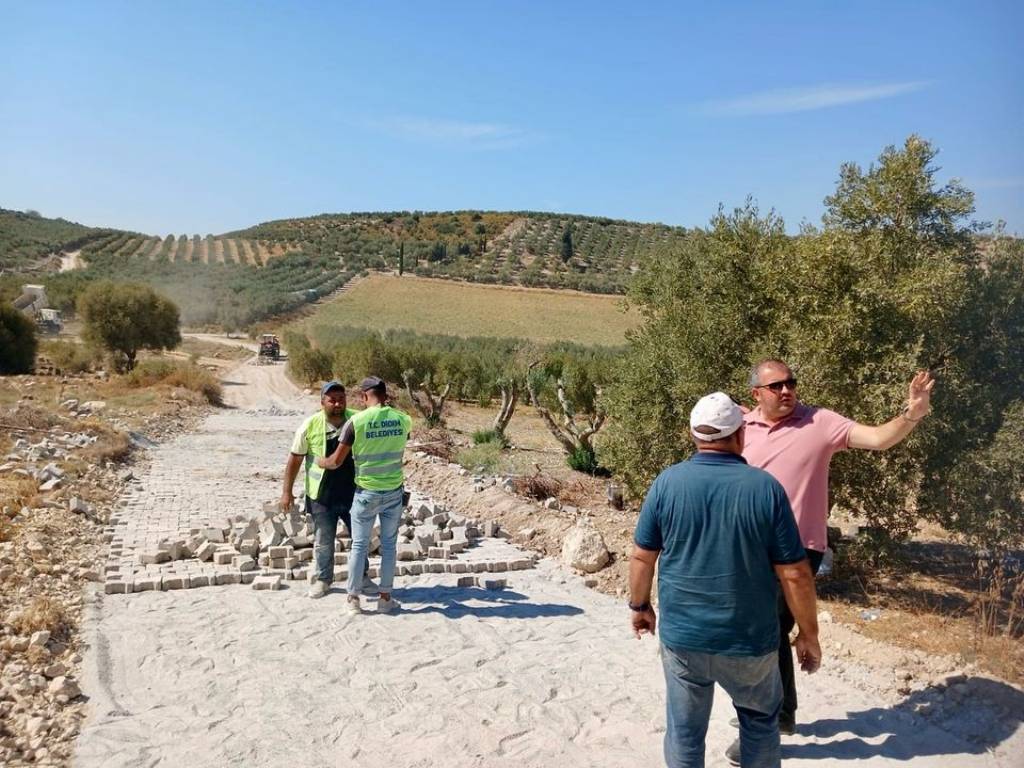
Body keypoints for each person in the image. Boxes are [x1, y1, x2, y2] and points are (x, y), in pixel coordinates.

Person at [736, 359, 934, 746]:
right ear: (756, 393)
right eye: (776, 386)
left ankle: (773, 718)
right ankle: (781, 712)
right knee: (764, 629)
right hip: (750, 548)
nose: (786, 391)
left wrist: (912, 414)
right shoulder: (742, 427)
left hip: (798, 547)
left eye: (791, 383)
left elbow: (879, 439)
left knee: (769, 626)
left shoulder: (820, 422)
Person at [631, 391, 821, 768]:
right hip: (750, 642)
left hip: (685, 638)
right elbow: (795, 573)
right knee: (760, 725)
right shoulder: (765, 488)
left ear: (694, 436)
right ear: (740, 435)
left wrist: (639, 607)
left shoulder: (667, 483)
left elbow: (642, 556)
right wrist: (808, 634)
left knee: (685, 733)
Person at [318, 376, 412, 616]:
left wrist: (321, 461)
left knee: (359, 545)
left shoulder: (356, 422)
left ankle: (353, 599)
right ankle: (385, 598)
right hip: (393, 492)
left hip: (365, 493)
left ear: (364, 396)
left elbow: (337, 461)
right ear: (385, 395)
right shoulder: (404, 420)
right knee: (389, 547)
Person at [280, 380, 375, 599]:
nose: (337, 403)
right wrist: (287, 492)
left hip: (355, 493)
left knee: (360, 540)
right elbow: (294, 459)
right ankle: (323, 579)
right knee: (323, 541)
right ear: (322, 401)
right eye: (332, 399)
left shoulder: (357, 420)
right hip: (322, 496)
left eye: (341, 398)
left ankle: (362, 577)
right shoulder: (310, 425)